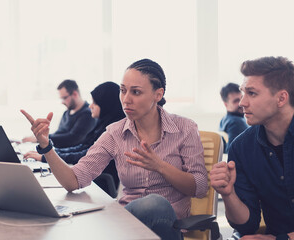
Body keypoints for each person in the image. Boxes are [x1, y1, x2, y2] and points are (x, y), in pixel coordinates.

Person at [21, 58, 208, 240]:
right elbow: (73, 181)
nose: (126, 99)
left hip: (168, 226)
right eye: (123, 90)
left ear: (158, 95)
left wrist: (160, 166)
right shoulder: (115, 133)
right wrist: (46, 146)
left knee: (156, 204)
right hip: (127, 223)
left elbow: (199, 187)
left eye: (136, 92)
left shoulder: (185, 128)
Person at [210, 56, 294, 239]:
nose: (242, 103)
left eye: (252, 93)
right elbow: (247, 225)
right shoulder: (241, 147)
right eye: (243, 92)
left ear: (281, 98)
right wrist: (228, 193)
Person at [24, 81, 125, 196]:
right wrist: (49, 151)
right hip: (86, 180)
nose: (90, 105)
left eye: (95, 103)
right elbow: (83, 148)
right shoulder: (101, 125)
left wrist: (46, 155)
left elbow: (83, 153)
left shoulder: (113, 131)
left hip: (97, 184)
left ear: (106, 105)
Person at [22, 79, 97, 148]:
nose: (62, 102)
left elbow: (73, 139)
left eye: (64, 98)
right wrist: (39, 136)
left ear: (75, 94)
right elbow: (59, 133)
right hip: (60, 152)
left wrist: (41, 138)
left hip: (72, 157)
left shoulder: (88, 114)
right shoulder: (66, 113)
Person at [219, 82, 249, 153]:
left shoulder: (224, 119)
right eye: (236, 101)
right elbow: (233, 152)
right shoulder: (236, 122)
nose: (241, 103)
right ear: (226, 104)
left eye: (241, 98)